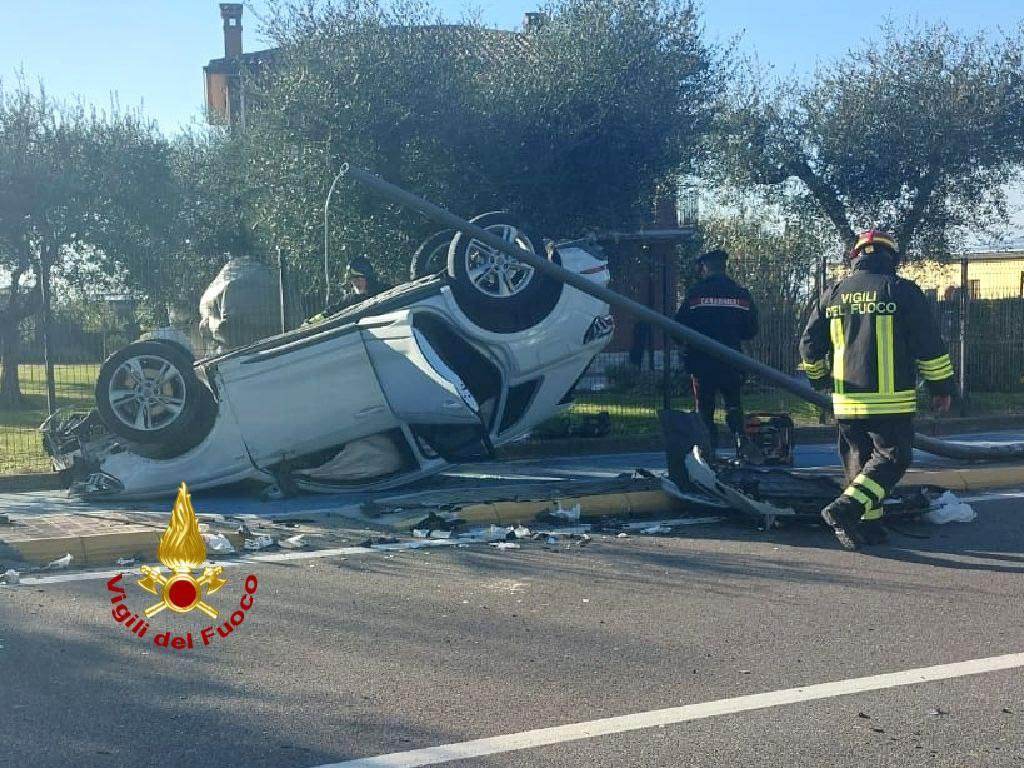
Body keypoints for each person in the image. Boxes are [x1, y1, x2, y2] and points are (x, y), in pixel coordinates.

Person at [799, 230, 954, 551]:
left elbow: (809, 346)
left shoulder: (834, 293)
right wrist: (941, 387)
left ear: (855, 257)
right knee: (893, 458)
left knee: (860, 462)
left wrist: (820, 380)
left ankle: (867, 527)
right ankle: (846, 510)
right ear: (891, 258)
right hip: (890, 400)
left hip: (846, 400)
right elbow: (929, 346)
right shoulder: (901, 291)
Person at [675, 248, 760, 458]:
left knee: (704, 408)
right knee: (733, 403)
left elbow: (677, 327)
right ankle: (741, 442)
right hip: (732, 360)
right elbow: (751, 330)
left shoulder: (695, 294)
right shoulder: (740, 294)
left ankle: (707, 451)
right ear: (724, 267)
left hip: (701, 362)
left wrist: (687, 345)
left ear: (704, 267)